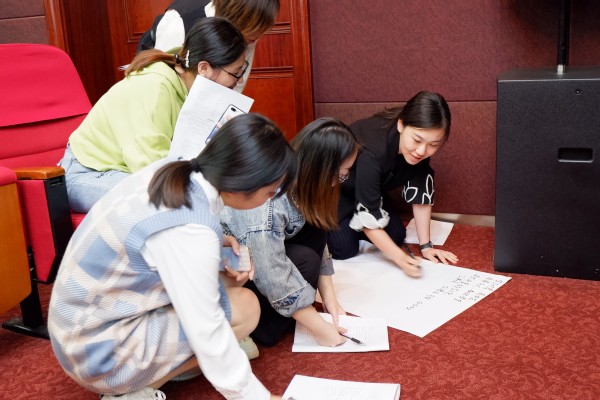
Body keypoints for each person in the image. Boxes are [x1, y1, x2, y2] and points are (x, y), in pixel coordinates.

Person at [48, 113, 296, 400]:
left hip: (82, 326)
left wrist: (216, 243)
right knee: (246, 308)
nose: (270, 199)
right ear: (243, 182)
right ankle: (132, 391)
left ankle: (160, 364)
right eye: (270, 192)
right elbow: (207, 329)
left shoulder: (176, 169)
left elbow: (163, 242)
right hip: (96, 355)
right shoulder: (190, 228)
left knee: (230, 281)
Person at [59, 17, 248, 213]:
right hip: (88, 173)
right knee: (177, 201)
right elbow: (151, 168)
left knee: (238, 189)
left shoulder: (192, 88)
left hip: (130, 170)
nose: (240, 80)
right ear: (204, 68)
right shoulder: (154, 88)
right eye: (235, 73)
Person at [221, 117, 359, 347]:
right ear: (321, 169)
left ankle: (292, 312)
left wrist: (330, 299)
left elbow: (320, 236)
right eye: (340, 175)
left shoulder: (302, 182)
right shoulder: (269, 200)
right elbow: (270, 271)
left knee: (315, 230)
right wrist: (320, 328)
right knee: (305, 260)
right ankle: (259, 327)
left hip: (259, 260)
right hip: (237, 275)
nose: (339, 182)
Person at [327, 91, 459, 277]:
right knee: (343, 248)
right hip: (339, 193)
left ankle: (359, 221)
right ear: (401, 124)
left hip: (373, 192)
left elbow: (421, 197)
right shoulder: (372, 150)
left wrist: (426, 247)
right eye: (417, 140)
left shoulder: (420, 153)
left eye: (433, 145)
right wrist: (401, 259)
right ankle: (346, 221)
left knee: (396, 236)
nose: (422, 151)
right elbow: (369, 222)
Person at [137, 0, 280, 93]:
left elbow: (235, 83)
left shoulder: (250, 34)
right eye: (251, 35)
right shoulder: (179, 20)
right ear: (236, 17)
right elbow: (162, 83)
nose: (257, 38)